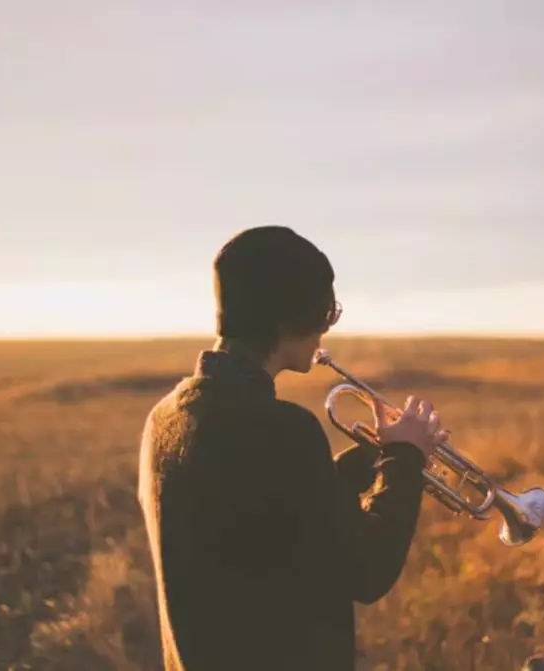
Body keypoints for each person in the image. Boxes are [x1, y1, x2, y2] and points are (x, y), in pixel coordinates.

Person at [137, 226, 447, 670]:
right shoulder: (282, 429)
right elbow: (368, 570)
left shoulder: (165, 417)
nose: (325, 332)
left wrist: (378, 455)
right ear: (288, 319)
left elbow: (259, 513)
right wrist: (404, 463)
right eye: (325, 314)